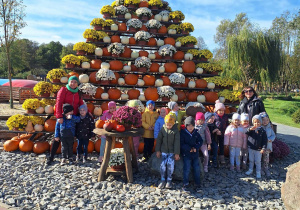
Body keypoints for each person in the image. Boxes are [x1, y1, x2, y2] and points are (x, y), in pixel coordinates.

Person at [47, 76, 84, 165]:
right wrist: (59, 116)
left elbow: (81, 103)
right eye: (71, 81)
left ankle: (75, 155)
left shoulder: (78, 92)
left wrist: (87, 112)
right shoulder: (63, 90)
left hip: (73, 117)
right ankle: (51, 157)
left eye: (75, 82)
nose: (73, 83)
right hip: (63, 116)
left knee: (72, 136)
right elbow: (59, 102)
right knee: (58, 136)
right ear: (68, 82)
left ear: (77, 83)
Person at [156, 114, 180, 189]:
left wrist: (177, 153)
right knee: (163, 165)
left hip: (171, 152)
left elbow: (177, 142)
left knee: (170, 165)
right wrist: (158, 150)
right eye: (167, 125)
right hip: (164, 150)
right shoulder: (162, 130)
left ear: (173, 124)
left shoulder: (175, 131)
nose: (168, 126)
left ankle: (169, 180)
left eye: (170, 125)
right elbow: (159, 140)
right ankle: (163, 180)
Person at [180, 116, 203, 192]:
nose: (190, 127)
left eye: (192, 126)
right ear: (186, 126)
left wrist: (196, 147)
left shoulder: (196, 133)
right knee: (187, 168)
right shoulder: (183, 133)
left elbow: (200, 141)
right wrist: (189, 148)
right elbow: (181, 144)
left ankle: (197, 184)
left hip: (195, 154)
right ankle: (185, 184)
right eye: (188, 126)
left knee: (196, 168)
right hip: (186, 154)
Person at [260, 112, 276, 177]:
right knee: (259, 158)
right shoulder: (260, 128)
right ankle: (260, 168)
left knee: (266, 158)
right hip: (260, 147)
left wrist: (270, 139)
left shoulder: (269, 128)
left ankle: (265, 168)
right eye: (263, 120)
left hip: (268, 146)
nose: (265, 122)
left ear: (268, 120)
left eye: (266, 120)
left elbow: (273, 135)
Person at [214, 100, 229, 165]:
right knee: (215, 145)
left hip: (223, 133)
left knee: (222, 145)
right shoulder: (214, 116)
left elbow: (227, 124)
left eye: (222, 110)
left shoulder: (225, 116)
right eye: (219, 110)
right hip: (216, 134)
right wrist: (216, 130)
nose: (221, 112)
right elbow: (212, 124)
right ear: (216, 111)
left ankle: (221, 157)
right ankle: (215, 157)